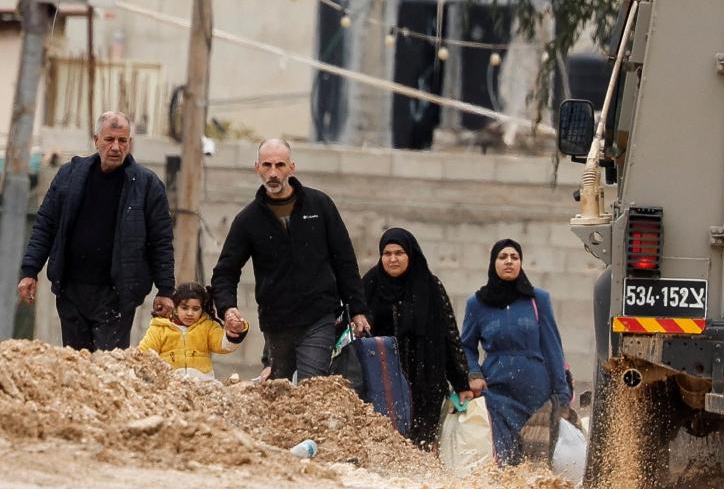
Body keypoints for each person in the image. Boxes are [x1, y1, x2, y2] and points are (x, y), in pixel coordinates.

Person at [211, 139, 370, 381]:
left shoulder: (320, 205)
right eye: (267, 165)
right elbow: (226, 271)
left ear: (291, 167)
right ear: (257, 168)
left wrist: (358, 309)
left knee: (311, 386)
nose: (273, 173)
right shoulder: (248, 220)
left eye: (280, 165)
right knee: (278, 389)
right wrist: (227, 307)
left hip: (318, 316)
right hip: (277, 322)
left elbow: (344, 259)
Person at [18, 111, 175, 351]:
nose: (116, 147)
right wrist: (30, 270)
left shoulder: (147, 185)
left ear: (129, 143)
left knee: (108, 369)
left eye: (122, 141)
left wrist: (165, 290)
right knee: (77, 367)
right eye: (109, 139)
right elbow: (46, 224)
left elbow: (161, 241)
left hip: (116, 296)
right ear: (96, 140)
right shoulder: (70, 175)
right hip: (71, 290)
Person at [460, 239, 571, 465]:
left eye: (515, 257)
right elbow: (466, 346)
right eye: (503, 257)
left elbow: (552, 347)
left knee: (535, 460)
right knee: (503, 459)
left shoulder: (538, 299)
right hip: (497, 393)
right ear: (493, 263)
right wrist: (474, 373)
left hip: (536, 393)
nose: (509, 261)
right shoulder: (477, 304)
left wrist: (562, 391)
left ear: (521, 263)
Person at [362, 227, 474, 449]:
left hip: (425, 381)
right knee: (384, 441)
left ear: (410, 255)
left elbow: (449, 335)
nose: (393, 259)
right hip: (383, 381)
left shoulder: (430, 286)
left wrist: (461, 382)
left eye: (399, 253)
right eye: (387, 253)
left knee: (419, 444)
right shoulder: (369, 285)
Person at [138, 282, 249, 381]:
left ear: (202, 309)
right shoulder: (160, 328)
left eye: (195, 309)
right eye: (184, 308)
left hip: (204, 387)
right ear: (175, 308)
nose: (190, 313)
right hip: (170, 388)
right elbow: (143, 354)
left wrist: (236, 330)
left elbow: (224, 346)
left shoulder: (207, 327)